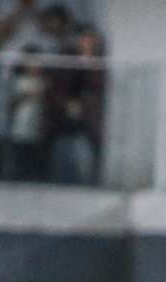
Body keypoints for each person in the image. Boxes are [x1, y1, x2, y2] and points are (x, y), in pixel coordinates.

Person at [46, 24, 105, 185]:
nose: (86, 42)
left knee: (84, 163)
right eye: (84, 39)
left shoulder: (99, 64)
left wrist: (90, 61)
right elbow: (56, 88)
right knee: (62, 162)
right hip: (64, 123)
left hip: (87, 125)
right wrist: (68, 103)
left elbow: (98, 89)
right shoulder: (67, 60)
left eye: (90, 39)